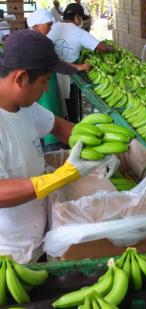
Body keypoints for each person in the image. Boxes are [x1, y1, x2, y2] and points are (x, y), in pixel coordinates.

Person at [0, 29, 119, 263]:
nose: (46, 89)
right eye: (44, 82)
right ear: (21, 78)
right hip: (9, 252)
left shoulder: (25, 107)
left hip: (37, 236)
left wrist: (102, 149)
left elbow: (60, 127)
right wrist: (61, 176)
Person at [27, 8, 89, 149]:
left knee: (50, 116)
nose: (50, 29)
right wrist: (76, 67)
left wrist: (76, 67)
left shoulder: (37, 39)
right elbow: (55, 63)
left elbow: (54, 61)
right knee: (48, 116)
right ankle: (52, 146)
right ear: (37, 24)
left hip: (46, 85)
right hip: (40, 88)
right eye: (48, 25)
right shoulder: (37, 42)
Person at [47, 3, 114, 122]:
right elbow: (101, 47)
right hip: (70, 74)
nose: (81, 21)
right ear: (77, 17)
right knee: (70, 106)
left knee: (57, 107)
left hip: (51, 75)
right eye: (81, 18)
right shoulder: (78, 32)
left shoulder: (52, 27)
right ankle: (71, 128)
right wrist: (114, 49)